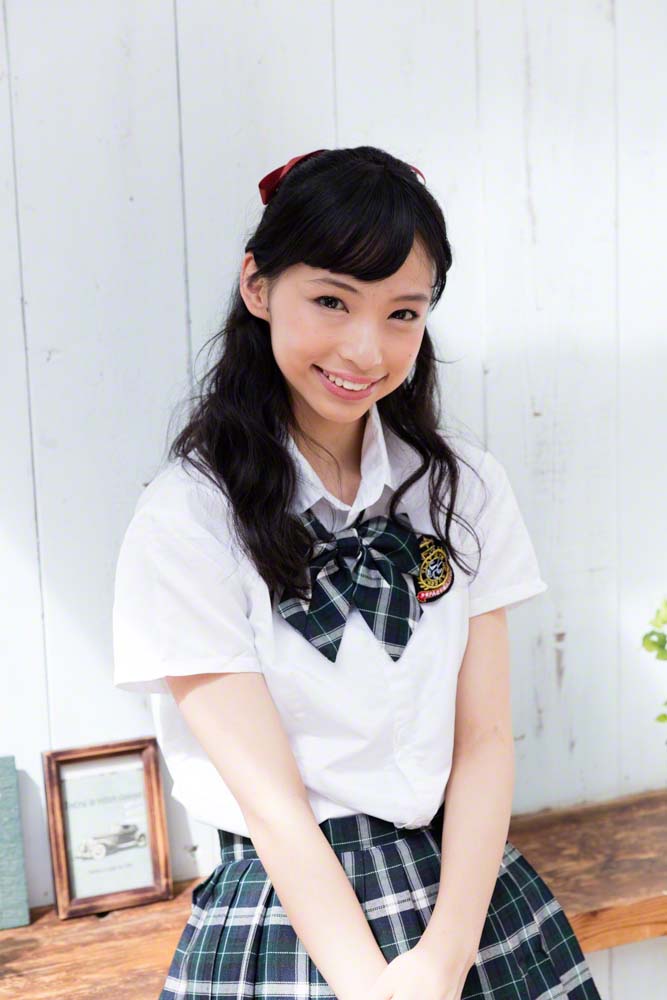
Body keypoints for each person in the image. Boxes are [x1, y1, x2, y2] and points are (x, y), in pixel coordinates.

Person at [112, 146, 602, 1000]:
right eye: (331, 301)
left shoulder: (463, 489)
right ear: (257, 286)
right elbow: (272, 806)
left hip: (469, 902)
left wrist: (444, 960)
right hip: (290, 915)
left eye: (402, 313)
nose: (365, 349)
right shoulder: (187, 522)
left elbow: (484, 742)